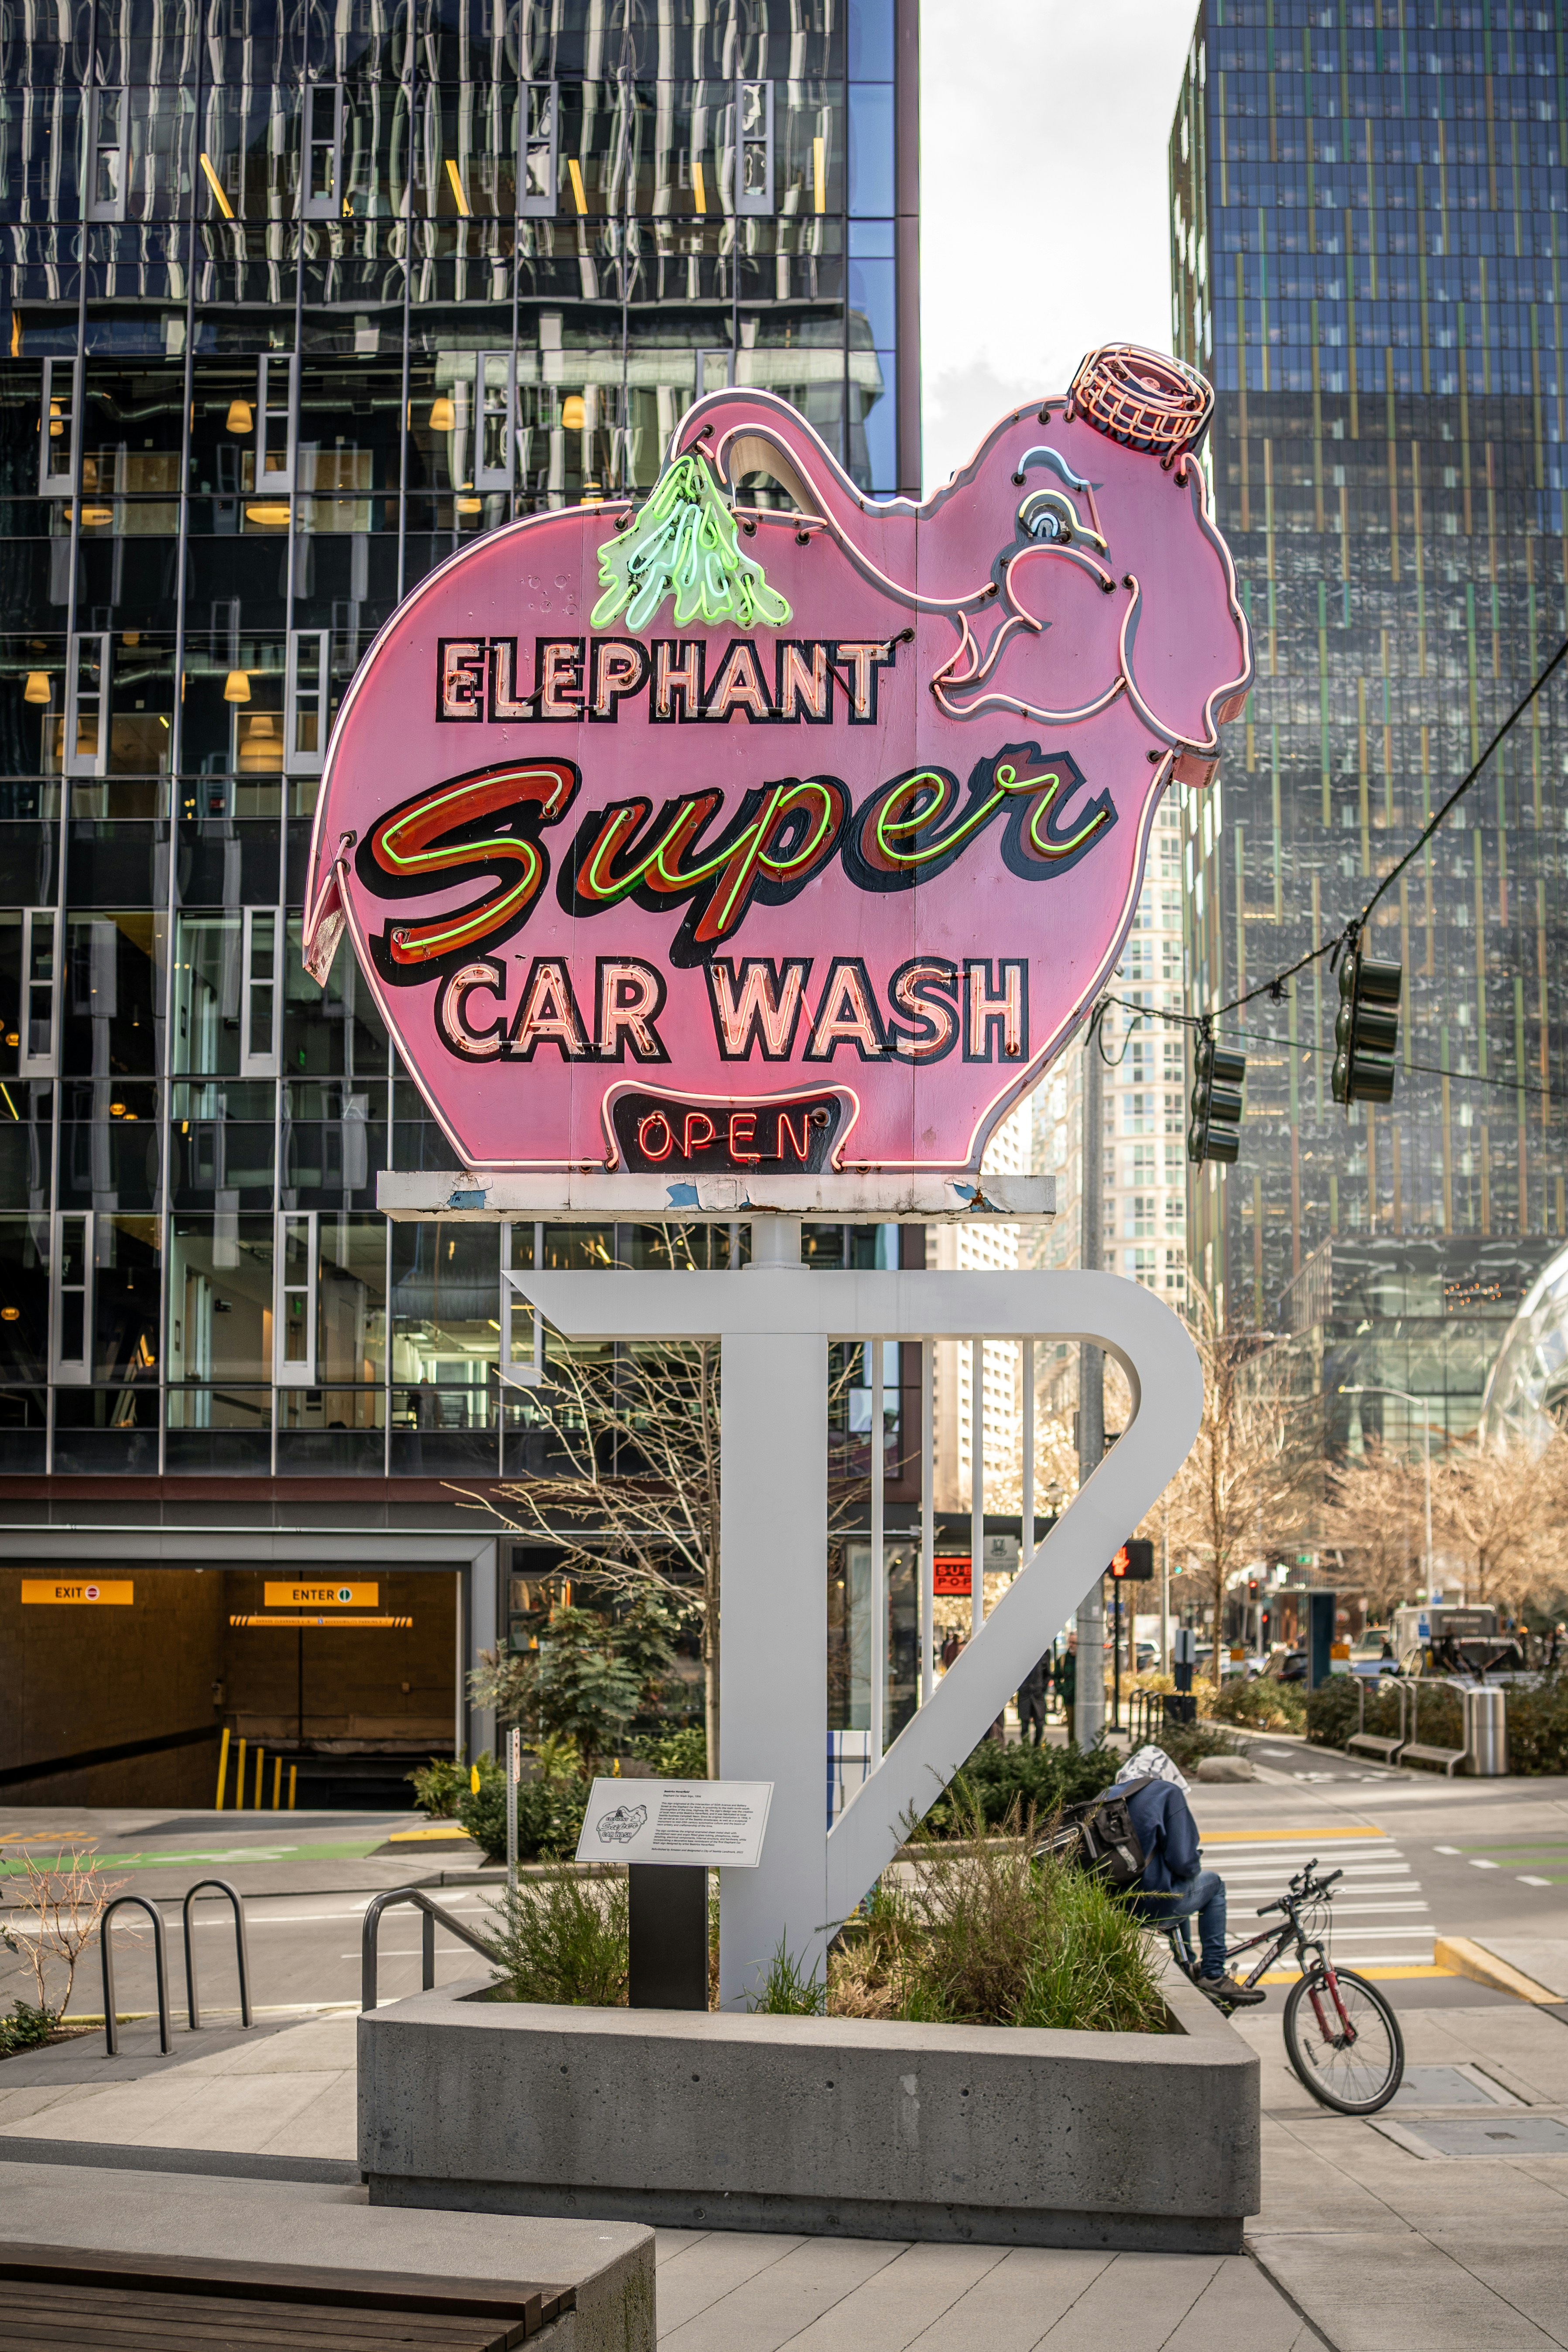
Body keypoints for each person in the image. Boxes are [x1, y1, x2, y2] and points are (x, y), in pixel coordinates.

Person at [1116, 1751, 1265, 2007]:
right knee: (1213, 1884)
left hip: (1119, 1905)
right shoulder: (1166, 1792)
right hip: (1154, 1905)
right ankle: (1214, 1974)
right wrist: (1192, 1860)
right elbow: (1184, 1862)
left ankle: (1187, 1963)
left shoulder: (1113, 1794)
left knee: (1177, 1884)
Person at [1016, 1651, 1050, 1748]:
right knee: (1025, 1726)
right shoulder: (1022, 1654)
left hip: (1037, 1695)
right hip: (1025, 1695)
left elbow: (1048, 1674)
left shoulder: (1044, 1654)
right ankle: (1026, 1749)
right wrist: (1022, 1688)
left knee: (1040, 1725)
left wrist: (1041, 1687)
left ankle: (1036, 1747)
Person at [1053, 1634, 1078, 1746]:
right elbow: (1056, 1677)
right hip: (1070, 1698)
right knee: (1072, 1726)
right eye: (1070, 1642)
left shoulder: (1084, 1659)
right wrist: (1063, 1691)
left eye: (1074, 1643)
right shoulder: (1063, 1659)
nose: (1072, 1645)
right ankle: (1073, 1750)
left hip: (1084, 1698)